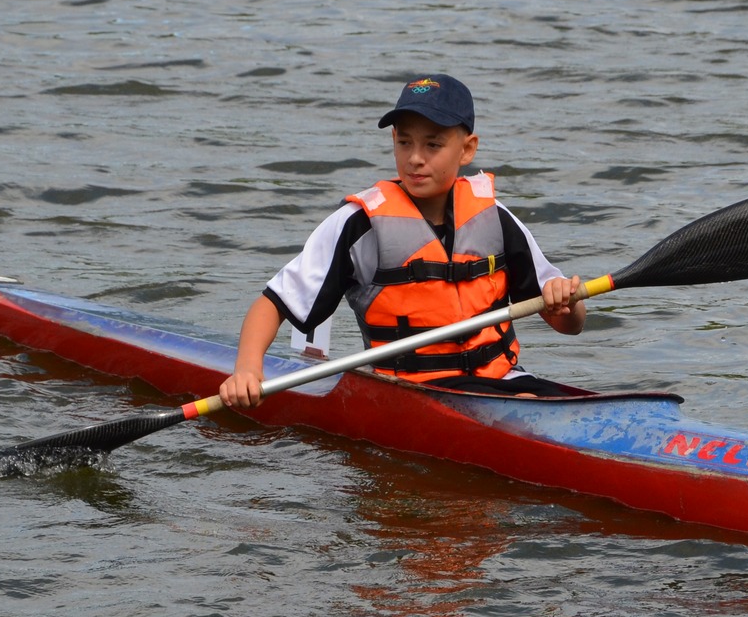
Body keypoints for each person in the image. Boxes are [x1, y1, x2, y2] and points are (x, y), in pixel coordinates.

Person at [217, 74, 588, 409]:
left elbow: (571, 325)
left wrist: (564, 304)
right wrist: (248, 370)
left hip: (504, 384)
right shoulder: (358, 225)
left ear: (468, 149)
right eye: (404, 142)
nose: (414, 159)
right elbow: (272, 303)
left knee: (530, 397)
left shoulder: (496, 218)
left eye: (432, 145)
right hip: (410, 393)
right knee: (523, 403)